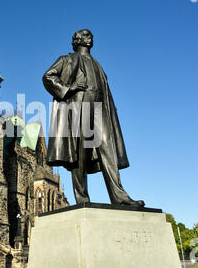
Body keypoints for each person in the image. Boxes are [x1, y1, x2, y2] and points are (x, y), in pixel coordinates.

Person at [42, 29, 145, 207]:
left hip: (100, 111)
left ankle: (119, 197)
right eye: (86, 35)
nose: (91, 38)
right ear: (78, 40)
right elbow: (48, 76)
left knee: (109, 149)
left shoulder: (97, 65)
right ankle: (82, 199)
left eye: (91, 35)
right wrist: (69, 88)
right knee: (80, 154)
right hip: (78, 108)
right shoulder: (67, 60)